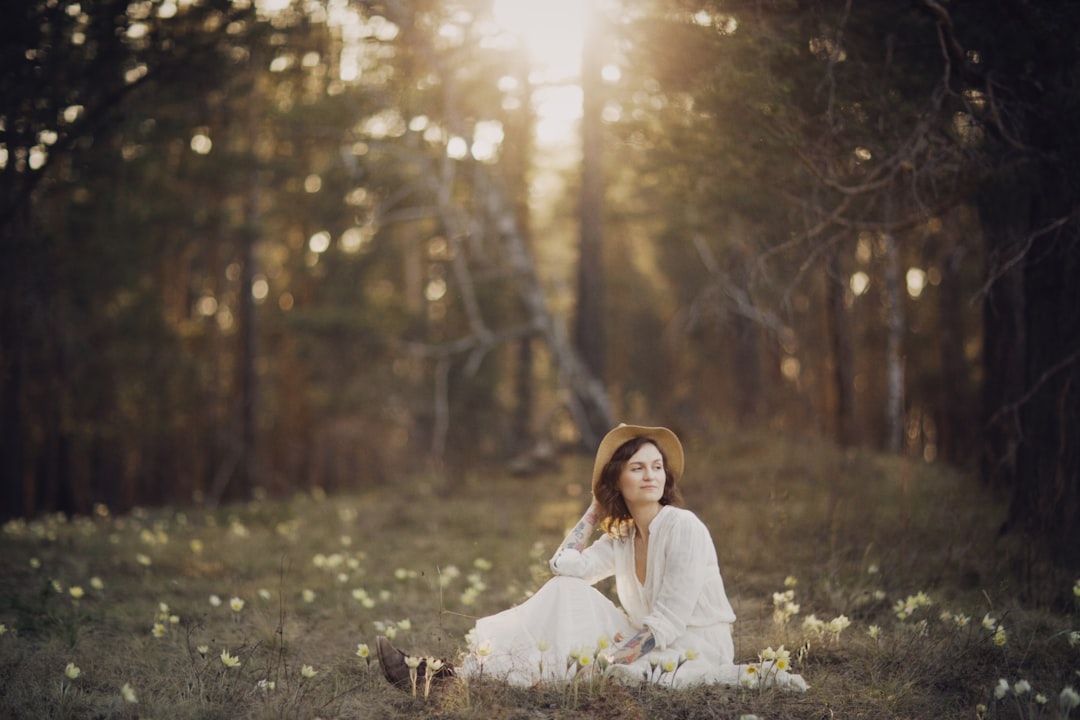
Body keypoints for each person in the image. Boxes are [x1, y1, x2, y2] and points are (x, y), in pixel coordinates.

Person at [377, 424, 807, 691]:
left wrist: (603, 660)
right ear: (616, 480)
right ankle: (454, 673)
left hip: (691, 649)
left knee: (603, 672)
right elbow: (562, 566)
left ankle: (455, 678)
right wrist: (594, 512)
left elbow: (668, 625)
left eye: (657, 467)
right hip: (646, 639)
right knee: (565, 591)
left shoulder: (684, 528)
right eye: (637, 468)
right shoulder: (621, 536)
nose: (651, 475)